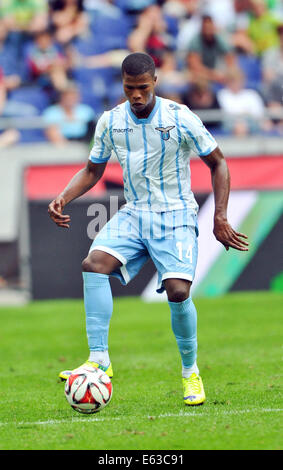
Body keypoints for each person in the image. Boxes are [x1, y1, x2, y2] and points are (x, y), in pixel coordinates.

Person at [48, 52, 249, 406]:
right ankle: (99, 360)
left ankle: (190, 373)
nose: (137, 96)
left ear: (155, 81)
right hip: (135, 212)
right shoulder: (110, 121)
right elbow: (93, 170)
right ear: (122, 85)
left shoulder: (179, 117)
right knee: (93, 265)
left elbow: (218, 163)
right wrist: (63, 196)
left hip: (175, 215)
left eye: (142, 88)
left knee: (177, 291)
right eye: (130, 89)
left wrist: (219, 215)